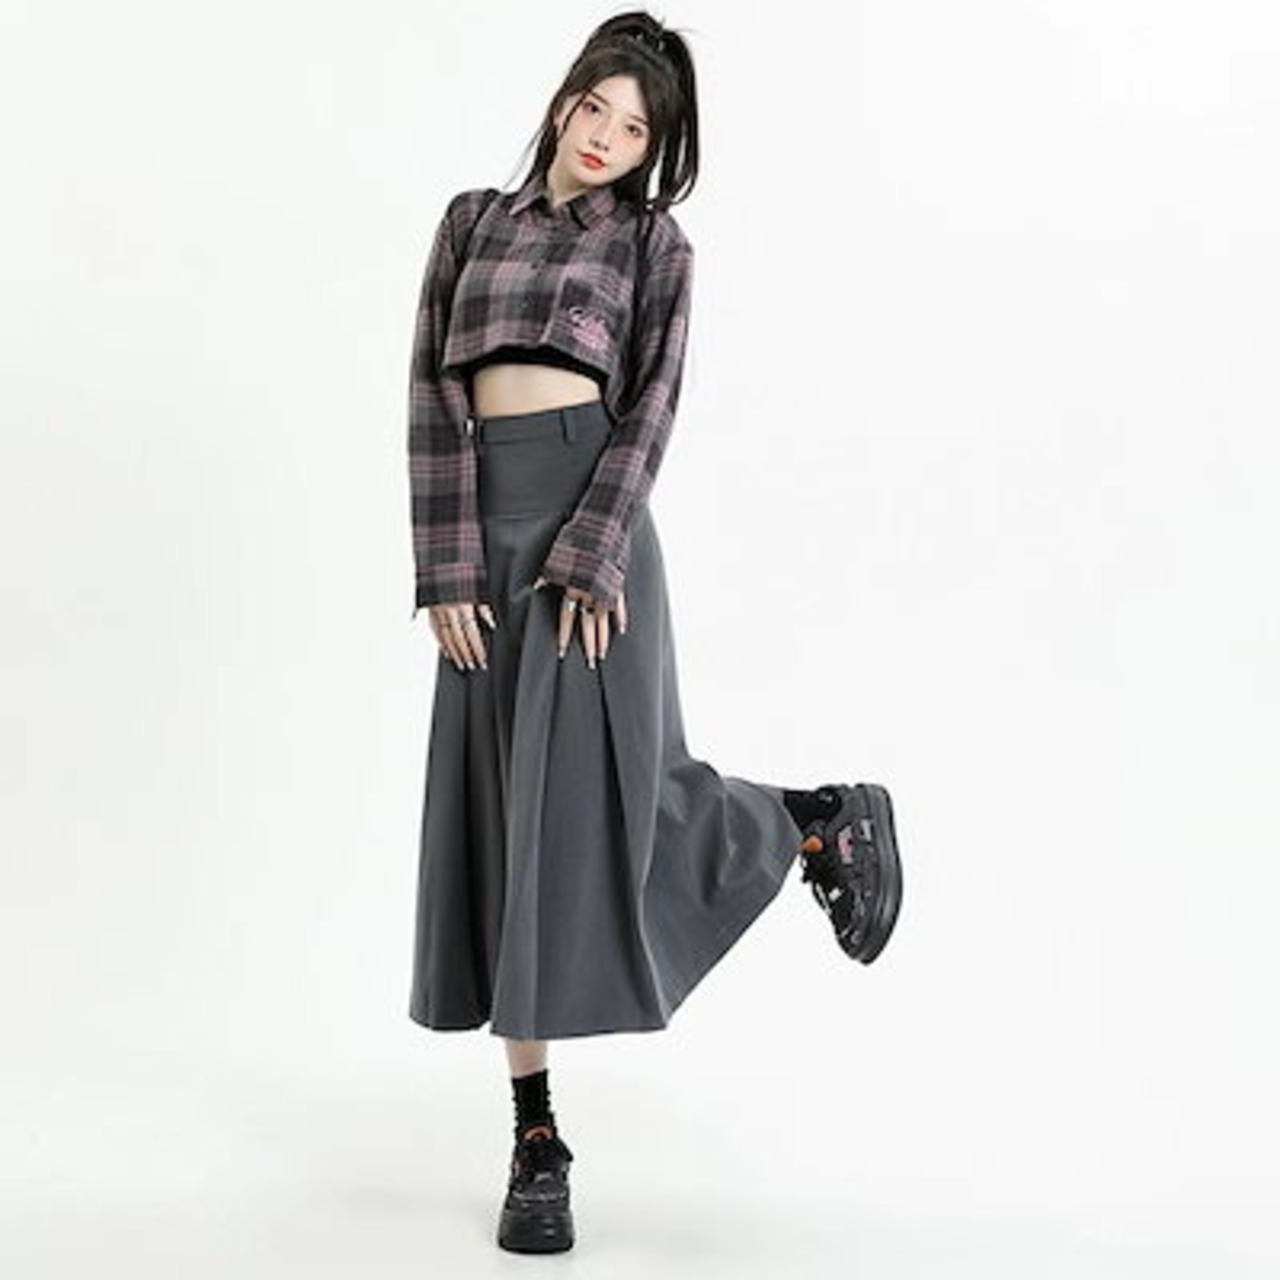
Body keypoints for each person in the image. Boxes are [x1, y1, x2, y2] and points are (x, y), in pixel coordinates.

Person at [404, 10, 903, 1254]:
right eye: (597, 109)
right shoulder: (470, 221)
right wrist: (445, 563)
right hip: (481, 541)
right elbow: (429, 392)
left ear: (652, 151)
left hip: (586, 528)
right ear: (564, 101)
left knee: (616, 801)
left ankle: (809, 818)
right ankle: (535, 1137)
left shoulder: (648, 245)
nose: (607, 139)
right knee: (505, 831)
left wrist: (593, 544)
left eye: (635, 131)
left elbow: (652, 404)